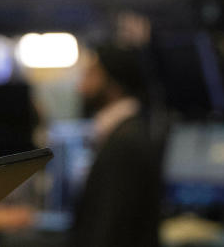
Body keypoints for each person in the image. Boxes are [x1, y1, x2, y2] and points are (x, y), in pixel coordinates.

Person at [69, 44, 163, 247]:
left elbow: (110, 229)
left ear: (114, 84)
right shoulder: (124, 132)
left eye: (91, 74)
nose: (81, 85)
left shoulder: (126, 143)